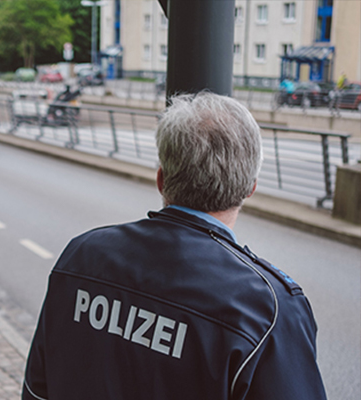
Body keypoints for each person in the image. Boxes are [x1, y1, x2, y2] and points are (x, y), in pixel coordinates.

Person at [22, 92, 327, 400]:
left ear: (161, 179)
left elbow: (36, 390)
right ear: (250, 188)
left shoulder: (81, 255)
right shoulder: (268, 310)